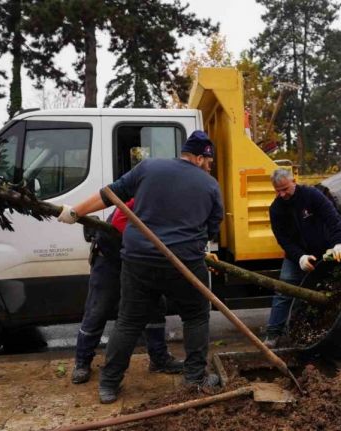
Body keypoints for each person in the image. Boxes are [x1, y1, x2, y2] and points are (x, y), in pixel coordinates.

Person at [57, 130, 224, 403]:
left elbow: (109, 194)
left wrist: (75, 212)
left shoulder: (148, 167)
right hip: (183, 262)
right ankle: (195, 379)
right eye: (208, 162)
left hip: (139, 260)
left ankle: (109, 384)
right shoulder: (210, 185)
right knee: (196, 316)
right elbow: (212, 228)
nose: (208, 167)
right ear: (197, 157)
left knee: (129, 320)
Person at [71, 198, 184, 384]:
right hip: (110, 257)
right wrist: (151, 243)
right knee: (98, 309)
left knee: (154, 306)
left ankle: (159, 358)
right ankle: (82, 362)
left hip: (141, 258)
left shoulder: (173, 200)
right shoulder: (143, 193)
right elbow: (119, 223)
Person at [266, 168, 341, 347]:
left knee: (330, 291)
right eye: (278, 191)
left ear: (293, 182)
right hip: (296, 256)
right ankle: (273, 334)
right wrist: (300, 257)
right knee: (284, 290)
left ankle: (331, 332)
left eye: (285, 189)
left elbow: (332, 218)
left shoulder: (312, 195)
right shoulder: (276, 209)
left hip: (324, 253)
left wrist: (339, 243)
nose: (282, 194)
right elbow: (283, 240)